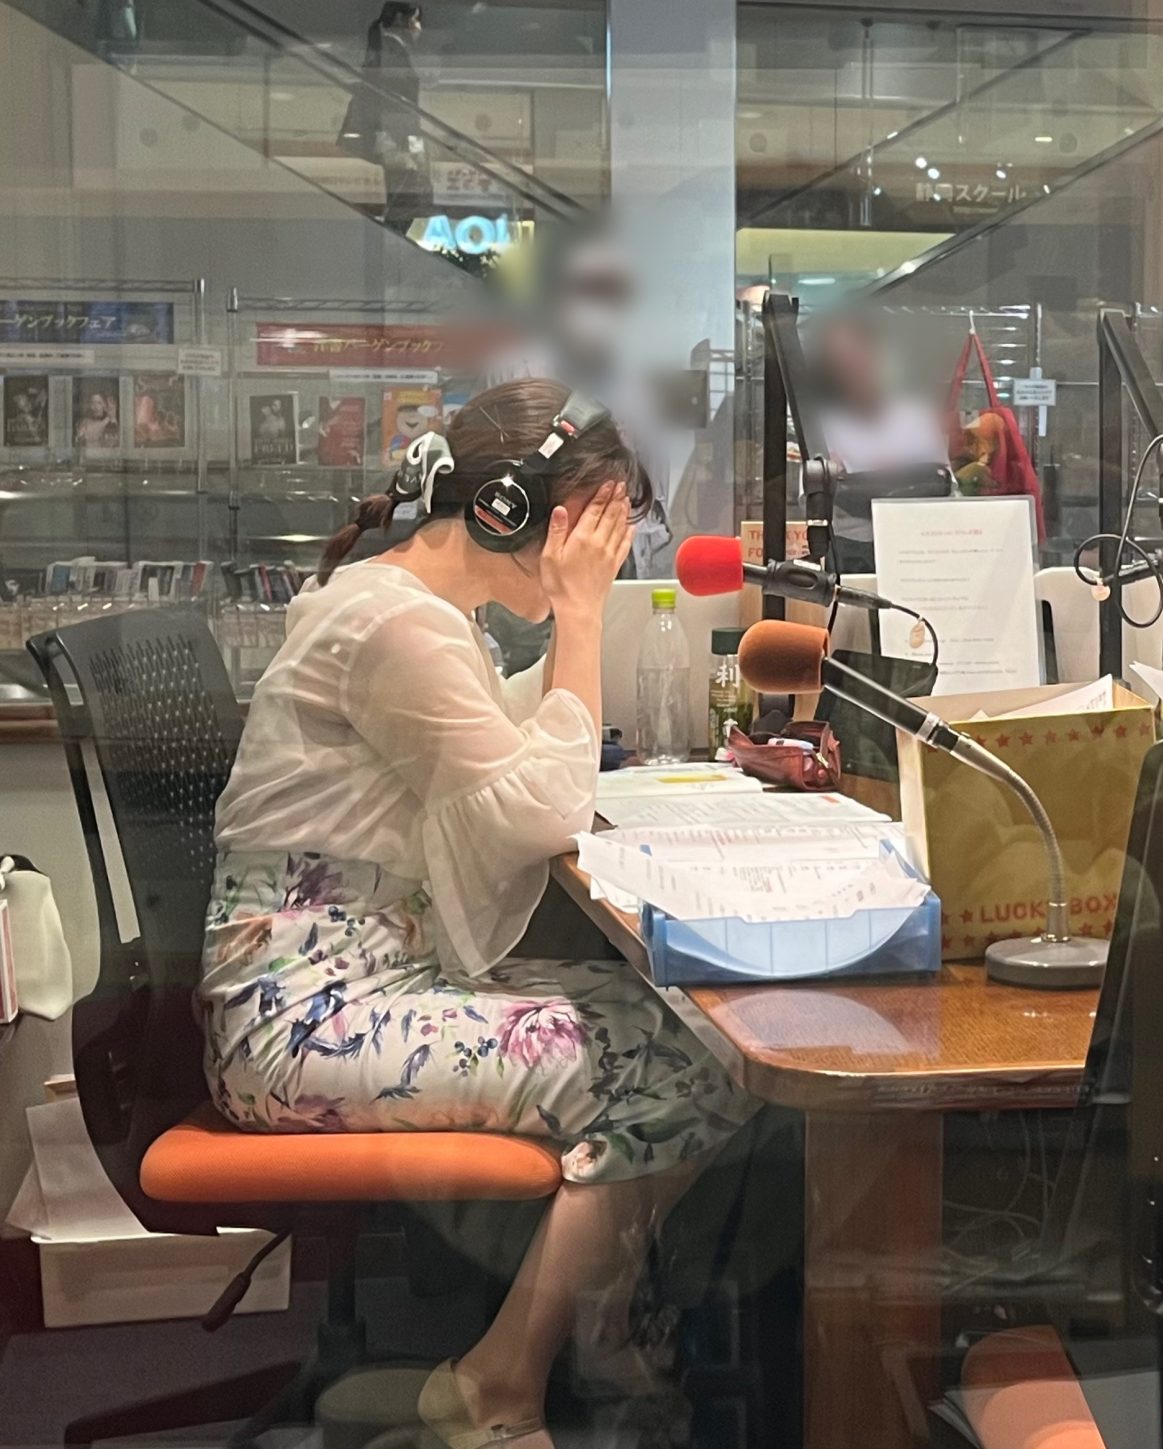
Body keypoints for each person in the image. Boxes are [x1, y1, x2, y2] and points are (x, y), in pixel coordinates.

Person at [200, 378, 757, 1449]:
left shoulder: (410, 611)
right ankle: (510, 1380)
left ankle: (579, 1343)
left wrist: (576, 630)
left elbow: (496, 752)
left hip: (351, 976)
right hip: (302, 1019)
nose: (603, 555)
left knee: (682, 1026)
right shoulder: (392, 626)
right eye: (593, 530)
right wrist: (582, 615)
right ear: (509, 510)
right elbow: (541, 808)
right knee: (689, 1063)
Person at [357, 3, 432, 237]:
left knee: (404, 199)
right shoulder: (392, 53)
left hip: (393, 138)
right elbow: (398, 108)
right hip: (395, 139)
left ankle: (393, 236)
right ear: (400, 18)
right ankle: (392, 237)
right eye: (415, 20)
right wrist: (412, 148)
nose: (418, 28)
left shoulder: (388, 49)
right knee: (406, 199)